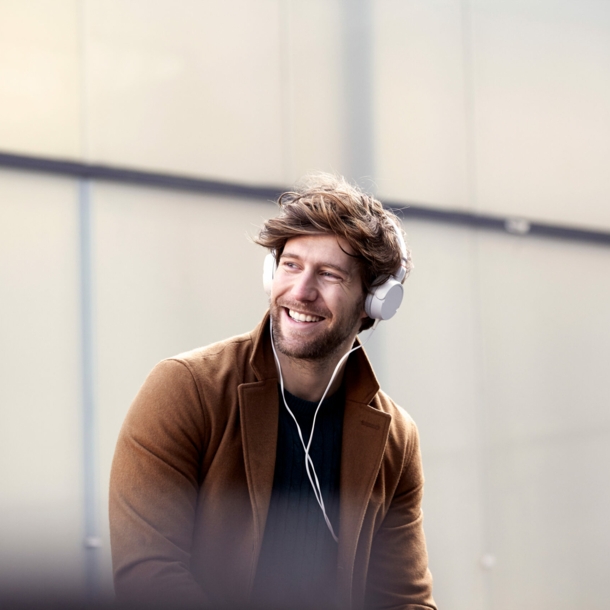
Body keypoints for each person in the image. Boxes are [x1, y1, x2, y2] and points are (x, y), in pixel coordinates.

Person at [109, 174, 436, 610]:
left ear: (374, 302)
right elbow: (148, 574)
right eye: (292, 265)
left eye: (330, 275)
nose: (301, 292)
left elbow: (404, 600)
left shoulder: (396, 437)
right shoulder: (185, 389)